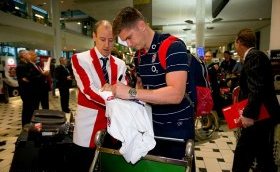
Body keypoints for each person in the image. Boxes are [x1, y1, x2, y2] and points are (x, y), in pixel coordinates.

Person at [112, 6, 195, 164]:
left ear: (141, 25)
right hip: (152, 127)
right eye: (125, 41)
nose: (128, 44)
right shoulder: (139, 56)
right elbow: (142, 92)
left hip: (177, 128)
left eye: (129, 37)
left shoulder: (174, 47)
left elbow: (176, 94)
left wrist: (130, 93)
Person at [71, 20, 127, 172]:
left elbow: (125, 90)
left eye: (111, 40)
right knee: (85, 165)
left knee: (109, 166)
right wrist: (114, 93)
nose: (107, 45)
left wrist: (117, 91)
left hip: (114, 126)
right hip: (88, 126)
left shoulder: (120, 64)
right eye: (102, 39)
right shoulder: (80, 59)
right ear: (94, 36)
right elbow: (88, 90)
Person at [232, 28, 280, 172]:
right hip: (263, 116)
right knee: (263, 155)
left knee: (243, 154)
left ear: (239, 42)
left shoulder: (253, 57)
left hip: (259, 117)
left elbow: (256, 88)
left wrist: (248, 115)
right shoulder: (258, 56)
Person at [16, 50, 33, 127]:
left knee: (29, 108)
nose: (29, 55)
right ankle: (25, 125)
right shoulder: (21, 66)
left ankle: (29, 123)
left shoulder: (26, 64)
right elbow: (25, 79)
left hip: (29, 90)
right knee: (26, 108)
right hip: (25, 90)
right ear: (22, 55)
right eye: (27, 54)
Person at [204, 50, 223, 118]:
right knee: (208, 104)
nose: (207, 58)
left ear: (211, 57)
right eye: (206, 56)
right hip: (206, 87)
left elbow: (212, 73)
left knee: (214, 104)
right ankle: (210, 121)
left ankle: (217, 120)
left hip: (214, 87)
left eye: (209, 56)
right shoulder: (204, 65)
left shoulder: (215, 65)